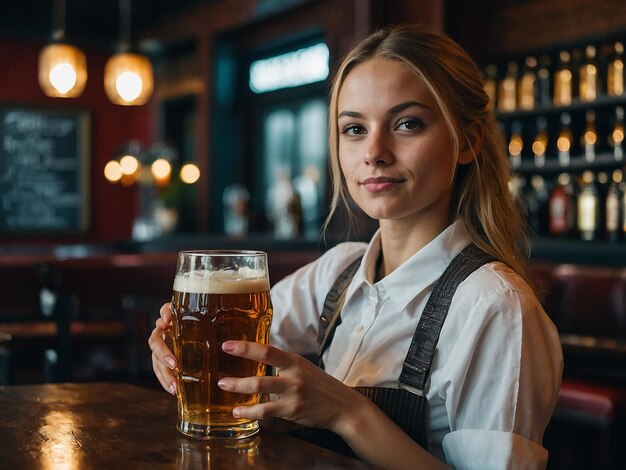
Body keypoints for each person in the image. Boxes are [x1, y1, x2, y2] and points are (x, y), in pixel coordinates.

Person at [149, 24, 563, 469]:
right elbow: (238, 347)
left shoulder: (494, 306)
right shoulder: (339, 273)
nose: (375, 152)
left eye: (407, 124)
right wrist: (179, 350)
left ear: (468, 141)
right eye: (354, 129)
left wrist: (347, 412)